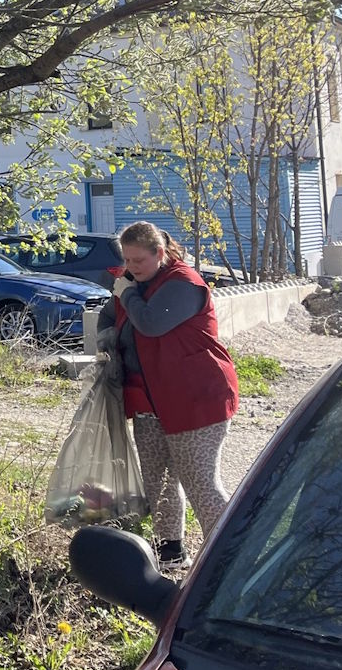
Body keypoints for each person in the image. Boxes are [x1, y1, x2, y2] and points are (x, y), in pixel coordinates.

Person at [95, 220, 239, 571]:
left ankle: (231, 561)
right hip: (149, 401)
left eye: (138, 260)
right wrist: (107, 344)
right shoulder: (136, 284)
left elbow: (151, 323)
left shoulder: (183, 283)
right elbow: (108, 317)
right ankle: (170, 553)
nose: (131, 268)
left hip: (195, 399)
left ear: (159, 253)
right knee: (158, 482)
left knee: (199, 482)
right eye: (127, 260)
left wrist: (126, 293)